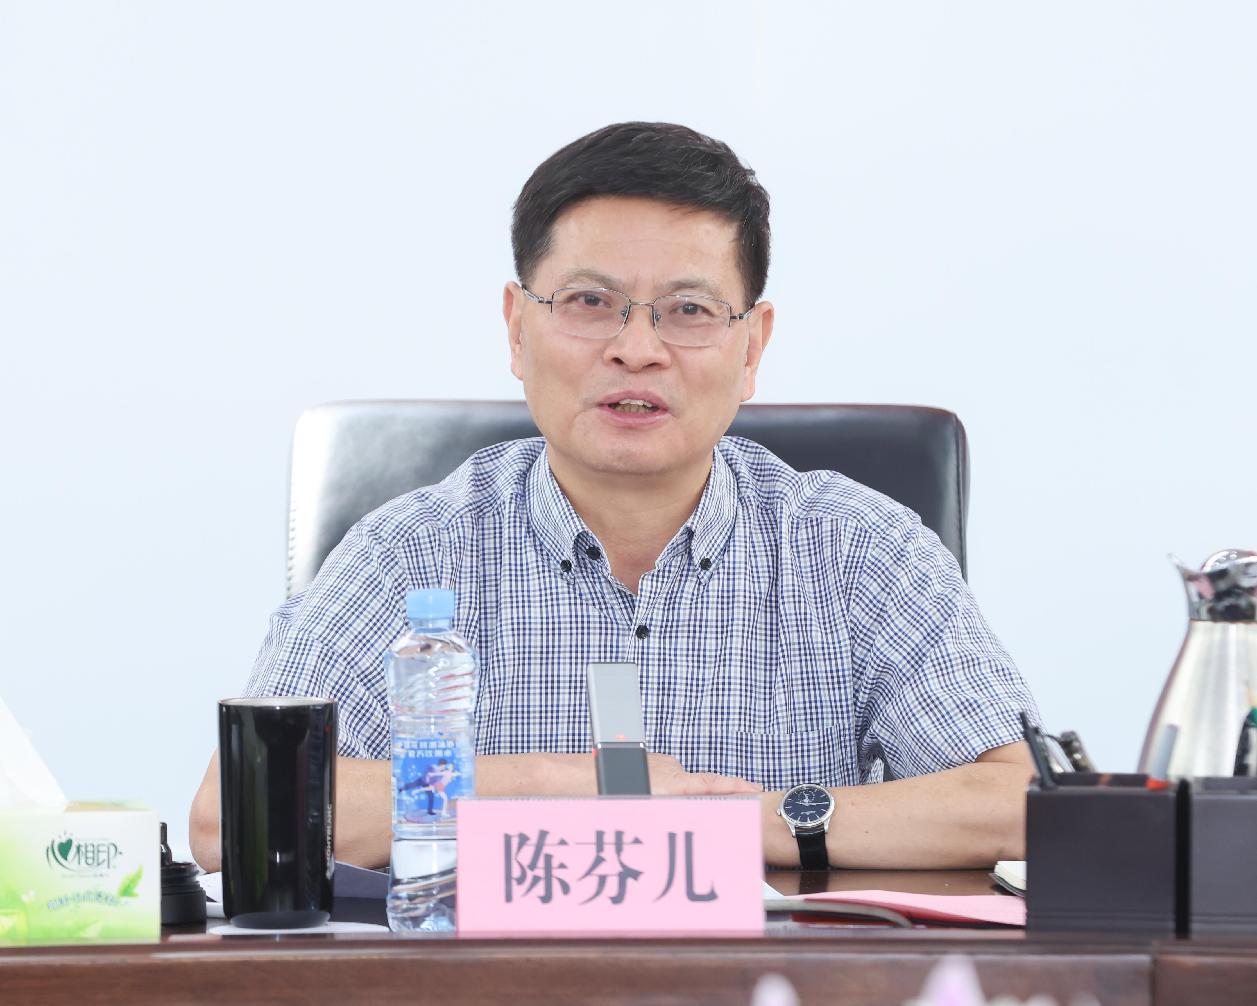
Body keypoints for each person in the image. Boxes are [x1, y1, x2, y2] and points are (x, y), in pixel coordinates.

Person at [190, 122, 1038, 873]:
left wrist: (739, 823)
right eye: (590, 302)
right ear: (517, 329)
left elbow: (1025, 805)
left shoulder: (857, 549)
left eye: (688, 309)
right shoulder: (409, 552)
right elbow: (235, 814)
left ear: (751, 348)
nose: (637, 349)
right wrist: (557, 786)